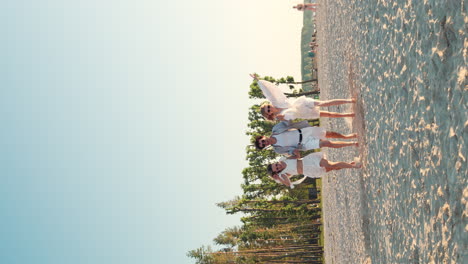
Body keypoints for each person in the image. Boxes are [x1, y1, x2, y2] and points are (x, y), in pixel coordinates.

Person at [250, 75, 355, 120]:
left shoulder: (275, 101)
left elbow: (269, 92)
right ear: (269, 114)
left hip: (301, 103)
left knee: (323, 103)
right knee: (327, 114)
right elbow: (292, 116)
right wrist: (284, 117)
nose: (269, 108)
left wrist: (258, 81)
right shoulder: (279, 117)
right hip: (304, 113)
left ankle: (349, 101)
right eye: (268, 110)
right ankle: (349, 115)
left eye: (268, 106)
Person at [254, 120, 358, 157]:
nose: (265, 143)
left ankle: (347, 137)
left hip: (304, 131)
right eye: (263, 145)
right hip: (304, 144)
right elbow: (290, 151)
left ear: (263, 137)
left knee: (328, 134)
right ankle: (352, 143)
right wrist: (294, 152)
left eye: (262, 141)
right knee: (326, 144)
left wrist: (284, 116)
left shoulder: (275, 130)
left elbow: (286, 122)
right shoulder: (277, 149)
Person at [267, 152, 361, 188]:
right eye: (277, 168)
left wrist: (295, 151)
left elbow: (297, 156)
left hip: (309, 161)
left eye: (276, 165)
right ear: (277, 172)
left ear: (275, 162)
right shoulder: (283, 174)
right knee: (332, 168)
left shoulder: (283, 159)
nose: (278, 166)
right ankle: (349, 164)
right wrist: (279, 179)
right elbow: (288, 184)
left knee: (330, 164)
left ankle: (354, 166)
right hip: (309, 171)